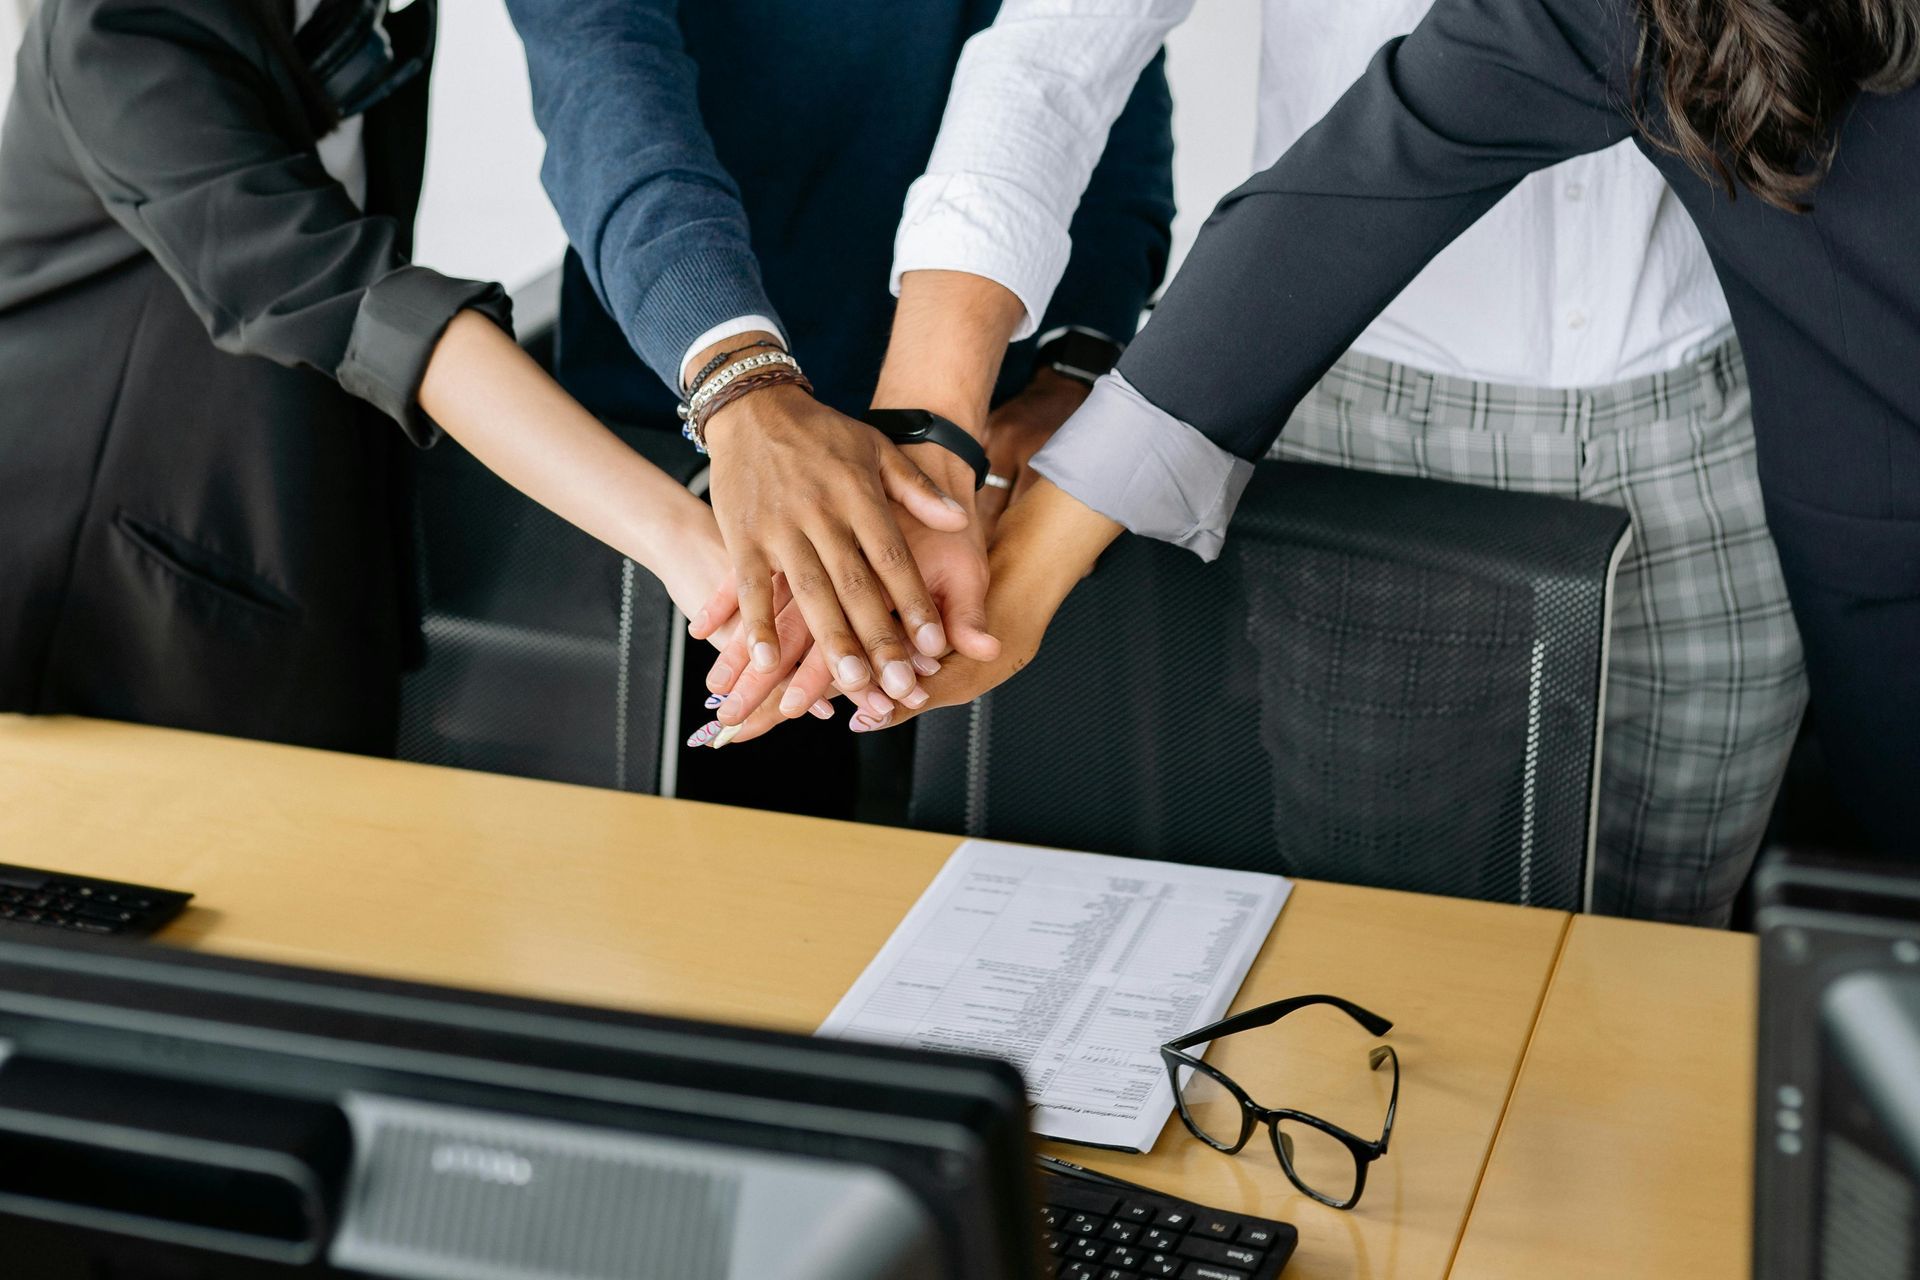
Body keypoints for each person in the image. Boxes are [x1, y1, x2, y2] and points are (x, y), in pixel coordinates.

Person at [830, 0, 1918, 921]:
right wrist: (938, 448)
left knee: (1673, 928)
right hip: (1362, 404)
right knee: (1377, 936)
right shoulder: (1576, 25)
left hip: (1709, 408)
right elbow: (1087, 70)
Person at [0, 0, 746, 754]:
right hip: (117, 582)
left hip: (313, 514)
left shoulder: (382, 10)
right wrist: (690, 543)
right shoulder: (118, 30)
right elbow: (361, 298)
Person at [502, 0, 1175, 747]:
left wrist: (1075, 368)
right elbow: (606, 86)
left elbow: (1087, 58)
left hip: (987, 440)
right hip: (672, 423)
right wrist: (741, 389)